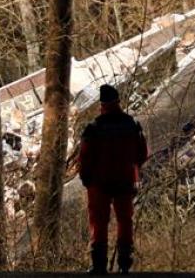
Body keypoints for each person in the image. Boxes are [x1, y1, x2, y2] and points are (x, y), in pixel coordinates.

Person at [78, 84, 148, 274]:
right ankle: (125, 265)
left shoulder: (93, 128)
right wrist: (132, 169)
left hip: (99, 184)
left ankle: (99, 265)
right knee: (125, 221)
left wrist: (86, 178)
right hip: (125, 181)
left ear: (102, 105)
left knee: (99, 222)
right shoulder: (132, 125)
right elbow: (142, 153)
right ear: (118, 102)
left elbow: (84, 157)